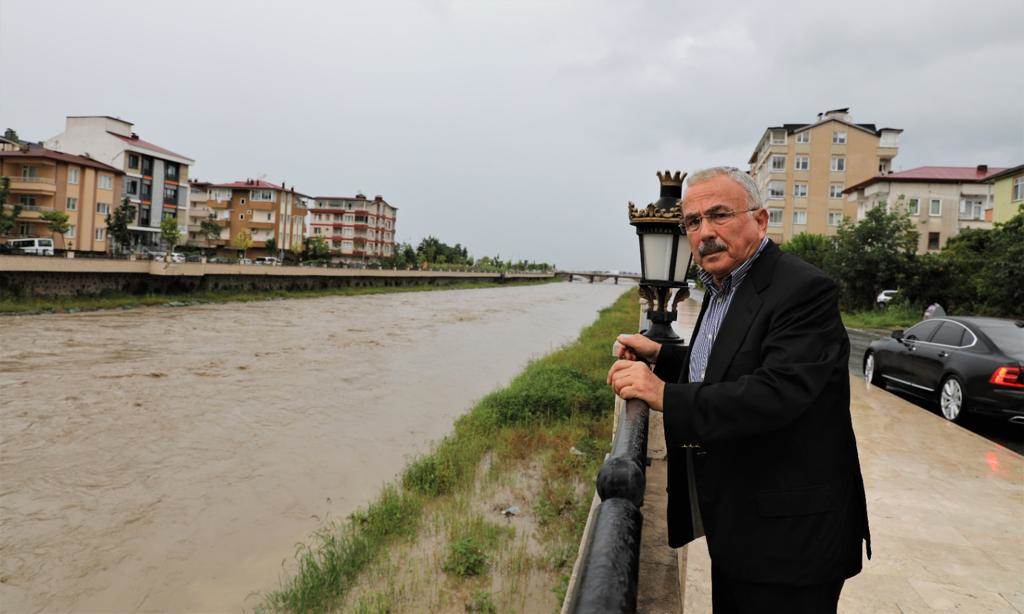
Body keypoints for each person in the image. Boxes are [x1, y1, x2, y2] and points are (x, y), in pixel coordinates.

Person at [607, 167, 869, 613]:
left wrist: (664, 395)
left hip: (791, 541)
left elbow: (776, 392)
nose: (705, 232)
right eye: (692, 222)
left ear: (761, 220)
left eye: (719, 215)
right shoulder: (725, 282)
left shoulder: (803, 289)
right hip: (740, 528)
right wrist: (662, 357)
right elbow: (727, 360)